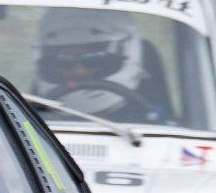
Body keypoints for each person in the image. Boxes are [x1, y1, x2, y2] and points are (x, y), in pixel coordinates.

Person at [33, 9, 170, 121]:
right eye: (63, 61)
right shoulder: (33, 124)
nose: (79, 71)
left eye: (93, 59)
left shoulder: (152, 122)